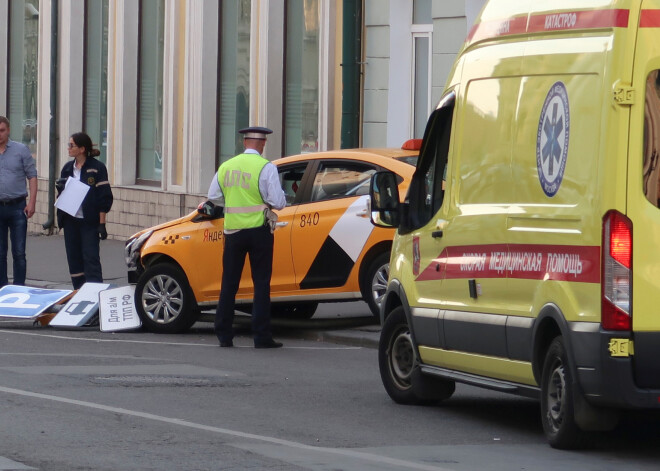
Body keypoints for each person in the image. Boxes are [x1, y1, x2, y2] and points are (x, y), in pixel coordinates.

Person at [208, 126, 286, 348]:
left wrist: (232, 201)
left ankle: (224, 334)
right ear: (262, 144)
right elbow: (279, 202)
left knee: (229, 283)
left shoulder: (226, 166)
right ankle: (261, 336)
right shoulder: (266, 167)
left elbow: (213, 196)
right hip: (259, 231)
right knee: (261, 283)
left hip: (233, 232)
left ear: (244, 143)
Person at [57, 132, 113, 290]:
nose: (68, 148)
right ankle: (78, 294)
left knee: (91, 259)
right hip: (70, 221)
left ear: (81, 149)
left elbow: (104, 197)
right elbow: (62, 195)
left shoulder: (97, 168)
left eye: (71, 145)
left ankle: (95, 296)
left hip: (89, 222)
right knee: (74, 260)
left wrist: (102, 224)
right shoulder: (68, 169)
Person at [0, 116, 37, 287]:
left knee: (19, 252)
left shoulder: (20, 150)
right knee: (0, 252)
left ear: (8, 130)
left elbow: (32, 176)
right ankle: (3, 289)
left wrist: (32, 203)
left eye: (2, 130)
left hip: (17, 206)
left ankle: (19, 288)